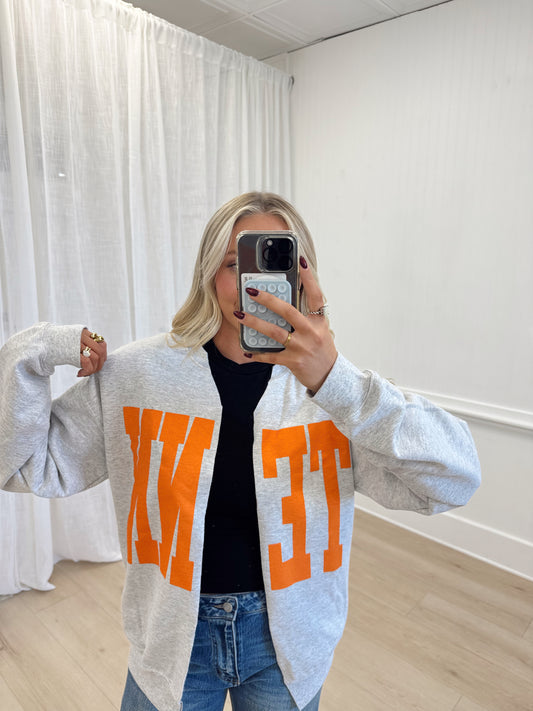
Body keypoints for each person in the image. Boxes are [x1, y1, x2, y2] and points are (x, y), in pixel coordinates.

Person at [0, 192, 481, 711]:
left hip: (287, 646)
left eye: (275, 263)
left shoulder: (333, 393)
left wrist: (334, 379)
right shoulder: (138, 376)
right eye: (235, 263)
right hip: (171, 643)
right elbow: (23, 466)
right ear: (209, 273)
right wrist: (36, 351)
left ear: (303, 277)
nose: (255, 282)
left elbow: (454, 480)